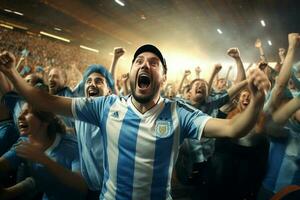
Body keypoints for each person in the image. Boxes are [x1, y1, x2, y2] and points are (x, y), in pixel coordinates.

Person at [0, 44, 270, 199]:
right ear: (130, 73)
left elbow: (233, 127)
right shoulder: (106, 106)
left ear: (162, 78)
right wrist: (12, 72)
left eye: (154, 63)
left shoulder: (179, 113)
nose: (145, 65)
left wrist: (257, 101)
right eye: (139, 60)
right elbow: (45, 101)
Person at [0, 103, 87, 200]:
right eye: (21, 113)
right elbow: (3, 164)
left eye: (27, 113)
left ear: (45, 121)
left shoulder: (71, 147)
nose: (20, 117)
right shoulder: (24, 141)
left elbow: (81, 185)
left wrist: (44, 160)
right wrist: (9, 193)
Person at [74, 64, 114, 200]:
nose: (92, 84)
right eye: (88, 81)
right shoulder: (78, 113)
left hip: (111, 191)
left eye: (99, 81)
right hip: (89, 189)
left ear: (109, 90)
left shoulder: (114, 115)